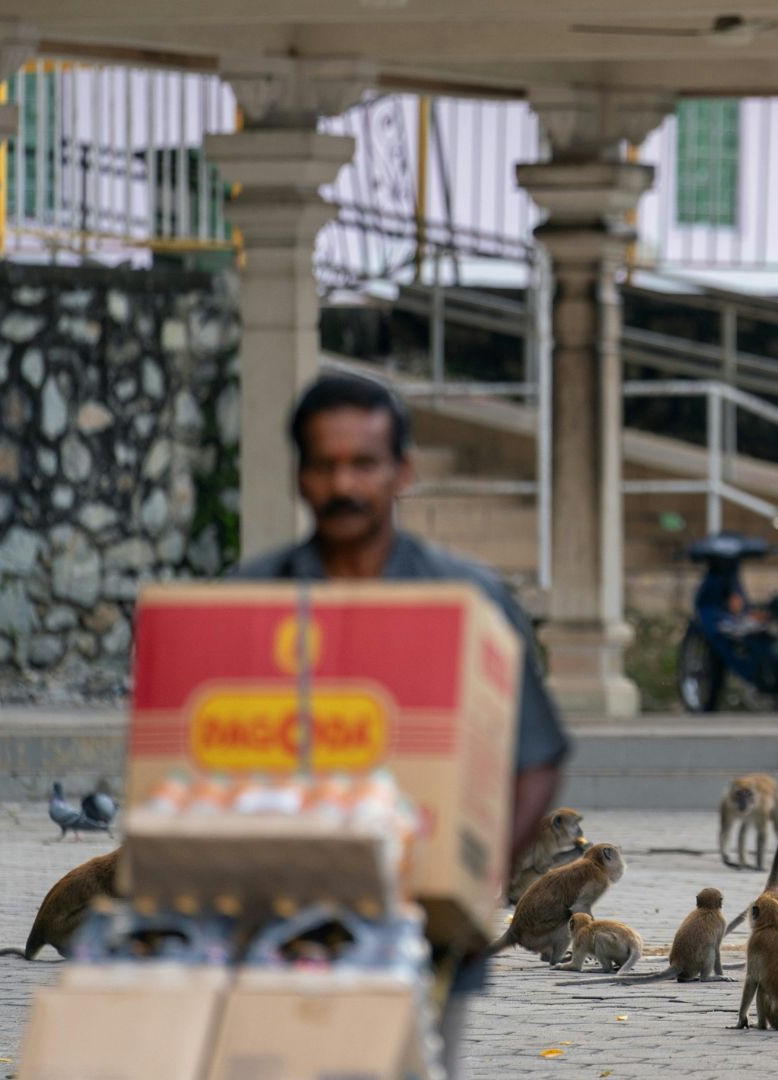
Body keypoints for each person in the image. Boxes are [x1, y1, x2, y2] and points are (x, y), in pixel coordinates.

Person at [229, 373, 569, 1069]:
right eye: (324, 464)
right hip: (271, 937)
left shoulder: (466, 598)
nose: (342, 484)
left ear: (402, 472)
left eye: (363, 463)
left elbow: (535, 757)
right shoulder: (248, 604)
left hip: (423, 942)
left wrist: (475, 886)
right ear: (299, 475)